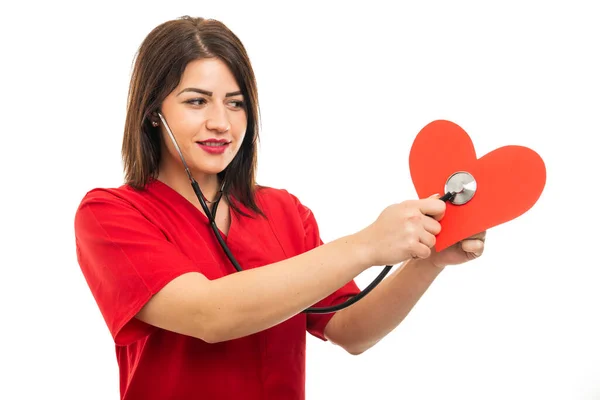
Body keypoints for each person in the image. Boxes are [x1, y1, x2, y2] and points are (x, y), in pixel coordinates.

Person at [73, 15, 486, 400]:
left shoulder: (283, 211)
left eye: (236, 103)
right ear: (152, 114)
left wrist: (428, 261)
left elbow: (351, 330)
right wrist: (367, 245)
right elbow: (207, 316)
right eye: (197, 101)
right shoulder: (110, 215)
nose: (222, 122)